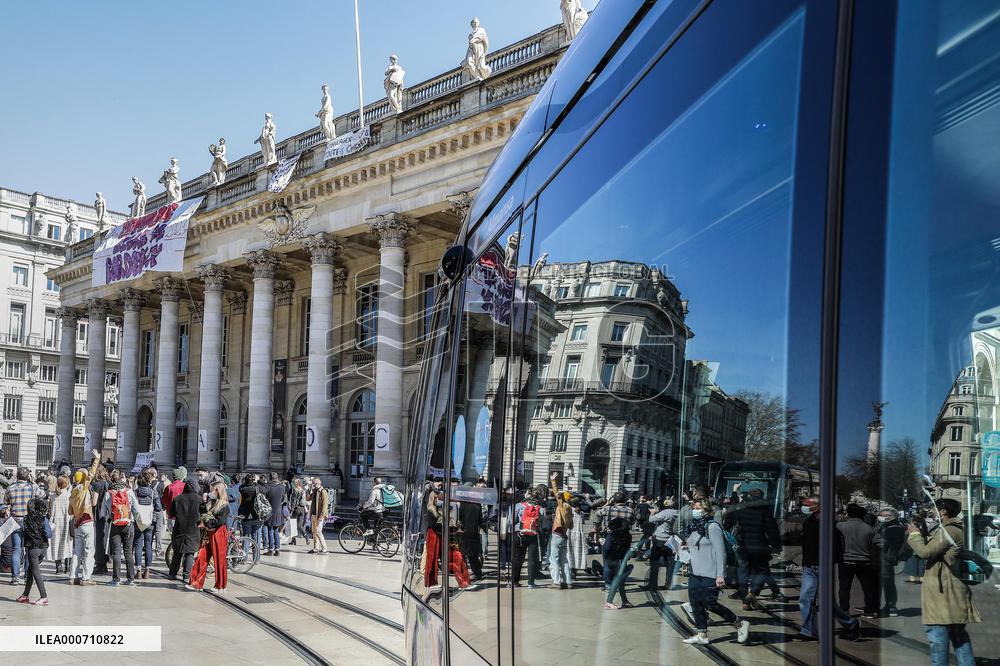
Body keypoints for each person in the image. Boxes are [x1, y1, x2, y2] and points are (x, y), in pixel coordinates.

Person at [905, 498, 981, 666]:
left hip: (943, 593)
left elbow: (925, 552)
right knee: (959, 639)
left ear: (943, 511)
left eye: (933, 508)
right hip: (950, 589)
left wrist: (914, 534)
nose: (931, 510)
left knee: (938, 639)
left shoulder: (949, 531)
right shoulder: (953, 529)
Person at [680, 500, 750, 645]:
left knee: (710, 604)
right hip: (695, 571)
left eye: (698, 508)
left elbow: (721, 552)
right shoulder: (693, 527)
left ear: (707, 511)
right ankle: (701, 634)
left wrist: (720, 574)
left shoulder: (712, 527)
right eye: (693, 508)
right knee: (695, 603)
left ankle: (739, 623)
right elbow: (694, 545)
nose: (695, 510)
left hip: (710, 572)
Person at [796, 496, 861, 641]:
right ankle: (809, 631)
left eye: (808, 504)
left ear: (817, 507)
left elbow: (837, 546)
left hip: (824, 566)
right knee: (805, 599)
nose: (804, 507)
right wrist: (805, 562)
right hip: (809, 566)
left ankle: (851, 624)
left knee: (827, 603)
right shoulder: (808, 522)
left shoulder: (830, 524)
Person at [725, 486, 784, 609]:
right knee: (762, 571)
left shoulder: (741, 508)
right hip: (760, 546)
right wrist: (776, 547)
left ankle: (744, 599)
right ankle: (752, 593)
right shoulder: (765, 510)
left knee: (743, 573)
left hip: (743, 546)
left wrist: (734, 494)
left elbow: (729, 518)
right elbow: (772, 530)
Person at [837, 503, 881, 618]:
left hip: (845, 561)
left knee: (844, 588)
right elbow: (879, 543)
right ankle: (870, 611)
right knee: (868, 588)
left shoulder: (840, 526)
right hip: (864, 562)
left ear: (849, 514)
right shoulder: (869, 529)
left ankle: (844, 610)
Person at [4, 466, 45, 585]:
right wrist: (32, 481)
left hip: (15, 520)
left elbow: (6, 502)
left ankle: (15, 577)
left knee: (16, 549)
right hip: (29, 521)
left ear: (17, 476)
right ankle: (27, 576)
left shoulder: (10, 488)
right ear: (28, 476)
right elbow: (42, 495)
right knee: (28, 549)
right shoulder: (32, 487)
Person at [100, 469, 141, 586]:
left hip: (115, 525)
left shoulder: (108, 493)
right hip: (128, 524)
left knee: (116, 553)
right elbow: (136, 511)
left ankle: (116, 579)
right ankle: (130, 579)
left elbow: (102, 513)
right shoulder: (129, 492)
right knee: (128, 552)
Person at [67, 451, 102, 585]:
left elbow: (70, 511)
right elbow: (91, 475)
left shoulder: (73, 492)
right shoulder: (83, 488)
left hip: (77, 524)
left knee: (77, 552)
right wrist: (96, 460)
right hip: (87, 522)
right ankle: (86, 577)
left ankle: (72, 576)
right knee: (89, 551)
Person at [190, 481, 230, 593]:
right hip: (208, 532)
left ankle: (221, 585)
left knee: (219, 559)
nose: (211, 491)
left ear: (218, 491)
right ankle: (196, 583)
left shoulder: (224, 505)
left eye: (213, 489)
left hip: (218, 533)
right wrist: (203, 503)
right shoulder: (212, 502)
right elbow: (203, 512)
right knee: (202, 556)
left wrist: (206, 523)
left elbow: (220, 521)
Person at [594, 492, 634, 602]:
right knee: (622, 560)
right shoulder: (630, 510)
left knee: (607, 560)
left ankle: (608, 584)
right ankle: (619, 581)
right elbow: (633, 521)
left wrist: (607, 504)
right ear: (625, 500)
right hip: (625, 539)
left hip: (610, 537)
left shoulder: (608, 509)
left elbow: (597, 513)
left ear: (614, 500)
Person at [16, 498, 52, 605]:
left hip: (33, 549)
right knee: (31, 571)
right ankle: (25, 595)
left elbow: (22, 532)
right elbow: (49, 534)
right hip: (43, 548)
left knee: (36, 572)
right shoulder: (44, 519)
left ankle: (44, 596)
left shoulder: (26, 520)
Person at [169, 480, 201, 586]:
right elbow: (204, 514)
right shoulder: (199, 500)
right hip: (193, 529)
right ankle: (186, 575)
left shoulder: (177, 499)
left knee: (177, 552)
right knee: (190, 553)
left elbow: (172, 513)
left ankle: (173, 573)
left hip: (179, 528)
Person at [133, 469, 163, 579]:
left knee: (138, 545)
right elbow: (158, 508)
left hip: (138, 522)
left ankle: (138, 571)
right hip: (150, 522)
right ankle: (148, 571)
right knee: (149, 545)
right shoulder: (153, 492)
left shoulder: (135, 492)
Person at [877, 507, 906, 617]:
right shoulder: (889, 526)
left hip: (886, 558)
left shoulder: (893, 528)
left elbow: (883, 543)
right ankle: (890, 605)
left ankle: (891, 606)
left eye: (883, 516)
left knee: (888, 582)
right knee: (888, 582)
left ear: (892, 517)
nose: (880, 517)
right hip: (888, 557)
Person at [548, 472, 574, 589]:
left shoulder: (562, 506)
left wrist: (553, 481)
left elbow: (556, 493)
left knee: (554, 559)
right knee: (564, 560)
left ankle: (556, 582)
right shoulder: (570, 510)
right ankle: (568, 582)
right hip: (564, 536)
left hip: (557, 535)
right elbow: (571, 525)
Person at [648, 498, 679, 591]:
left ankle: (653, 584)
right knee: (670, 563)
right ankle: (668, 584)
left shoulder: (665, 512)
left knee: (654, 562)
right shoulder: (677, 512)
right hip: (671, 540)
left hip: (660, 539)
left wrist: (653, 512)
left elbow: (651, 520)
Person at [458, 487, 485, 582]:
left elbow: (459, 518)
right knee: (473, 555)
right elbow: (480, 521)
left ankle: (465, 574)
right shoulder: (478, 505)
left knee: (462, 554)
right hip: (474, 532)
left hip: (464, 531)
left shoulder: (462, 504)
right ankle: (478, 573)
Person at [47, 476, 73, 574]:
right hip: (66, 521)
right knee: (67, 543)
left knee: (56, 544)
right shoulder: (69, 495)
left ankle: (58, 568)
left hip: (55, 522)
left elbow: (50, 509)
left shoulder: (53, 496)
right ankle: (68, 567)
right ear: (67, 484)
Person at [239, 473, 264, 551]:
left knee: (246, 537)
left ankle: (244, 557)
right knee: (255, 537)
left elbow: (241, 486)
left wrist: (247, 482)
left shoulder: (242, 489)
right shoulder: (258, 488)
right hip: (256, 515)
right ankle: (256, 558)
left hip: (245, 515)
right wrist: (258, 481)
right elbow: (267, 487)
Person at [263, 472, 287, 556]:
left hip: (269, 510)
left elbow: (264, 499)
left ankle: (271, 549)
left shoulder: (267, 487)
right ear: (277, 478)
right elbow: (284, 499)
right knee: (276, 530)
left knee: (270, 530)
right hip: (278, 510)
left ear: (270, 478)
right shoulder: (282, 487)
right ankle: (277, 549)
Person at [566, 497, 588, 578]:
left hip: (569, 533)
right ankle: (574, 573)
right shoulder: (581, 513)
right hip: (578, 535)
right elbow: (583, 522)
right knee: (576, 553)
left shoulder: (568, 511)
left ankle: (568, 572)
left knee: (568, 553)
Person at [308, 477, 330, 554]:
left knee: (318, 531)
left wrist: (322, 516)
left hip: (319, 515)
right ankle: (315, 548)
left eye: (315, 483)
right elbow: (308, 498)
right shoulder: (314, 491)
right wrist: (309, 489)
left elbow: (325, 505)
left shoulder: (323, 491)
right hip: (313, 514)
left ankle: (325, 549)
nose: (314, 485)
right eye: (313, 484)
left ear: (319, 483)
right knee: (314, 532)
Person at [289, 478, 307, 545]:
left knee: (293, 524)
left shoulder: (295, 490)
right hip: (302, 509)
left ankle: (293, 540)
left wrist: (292, 509)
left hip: (296, 509)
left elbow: (294, 501)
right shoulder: (303, 490)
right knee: (299, 525)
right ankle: (306, 536)